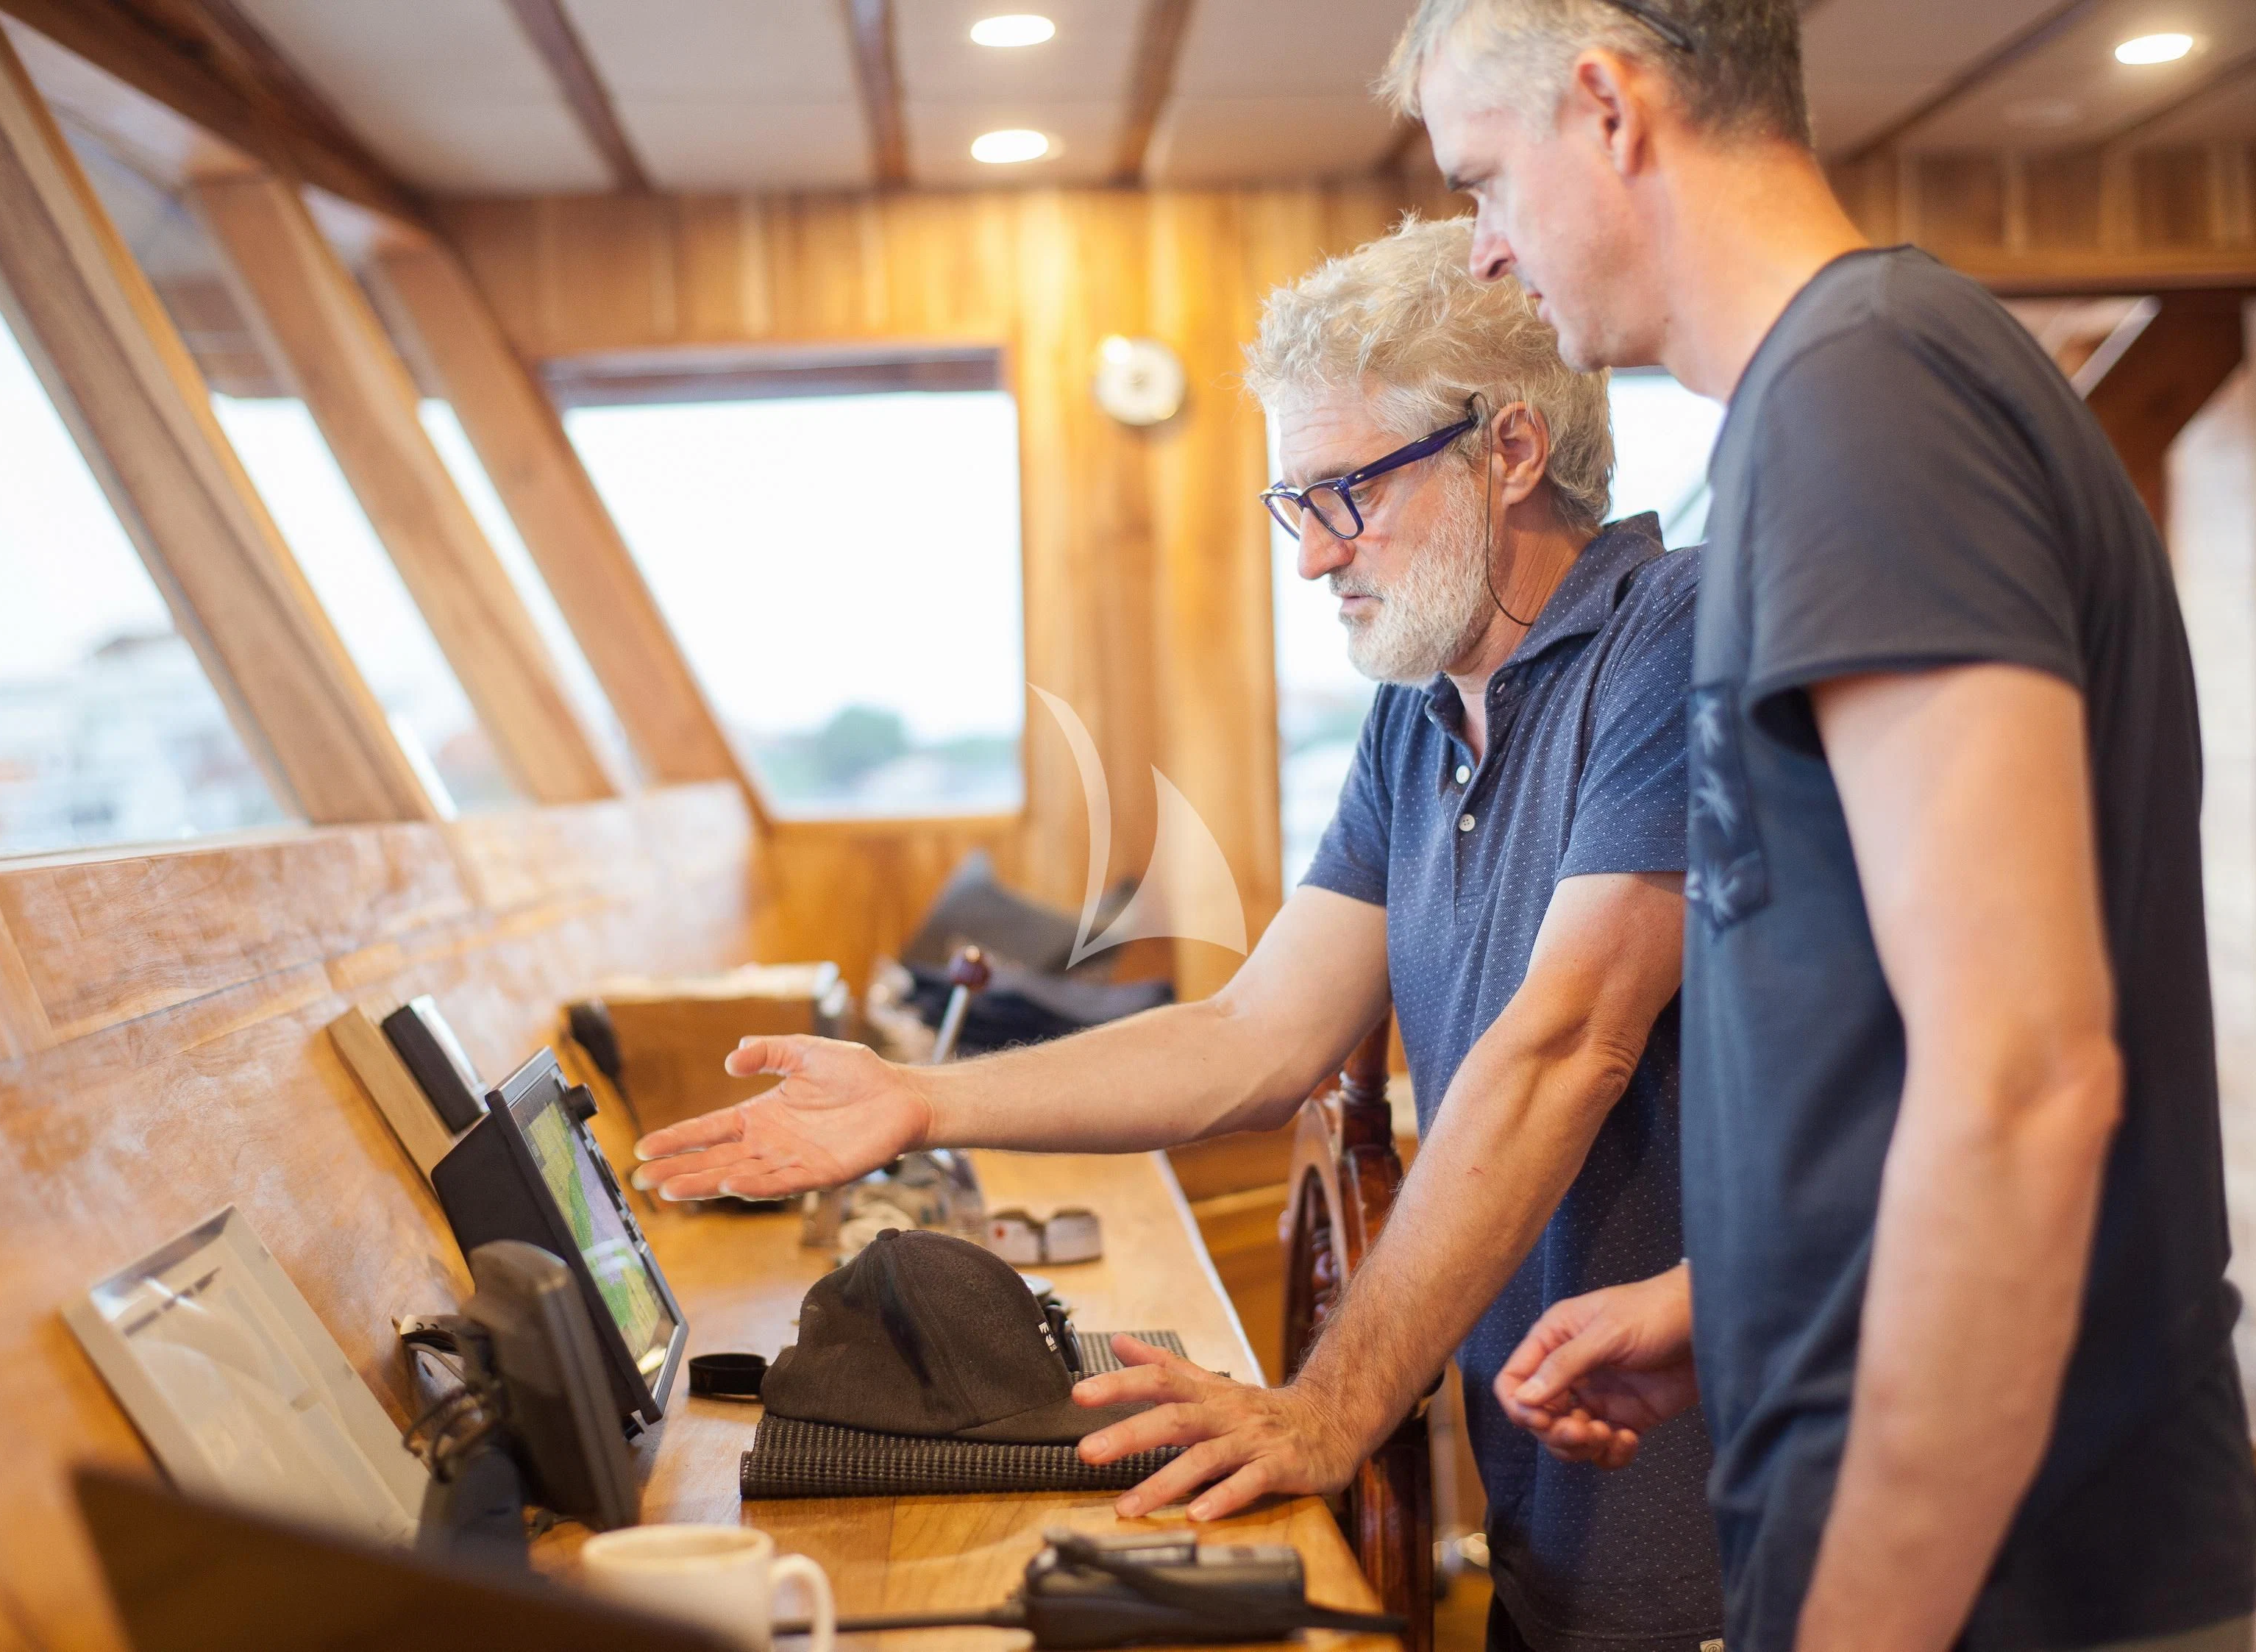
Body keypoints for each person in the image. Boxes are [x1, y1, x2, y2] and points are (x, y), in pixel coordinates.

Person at [633, 216, 1725, 1652]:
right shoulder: (1418, 719)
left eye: (1343, 493)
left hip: (1732, 1530)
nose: (1310, 558)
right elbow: (1254, 1035)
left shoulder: (1675, 635)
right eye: (1292, 506)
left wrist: (1329, 1407)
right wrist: (919, 1098)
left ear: (1507, 450)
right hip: (1555, 1522)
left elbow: (1562, 1046)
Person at [1385, 4, 2256, 1651]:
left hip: (2009, 1578)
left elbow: (2022, 1084)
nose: (1487, 256)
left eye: (1484, 184)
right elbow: (1898, 1034)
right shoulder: (1847, 395)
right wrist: (1744, 1299)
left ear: (1606, 108)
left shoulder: (1865, 402)